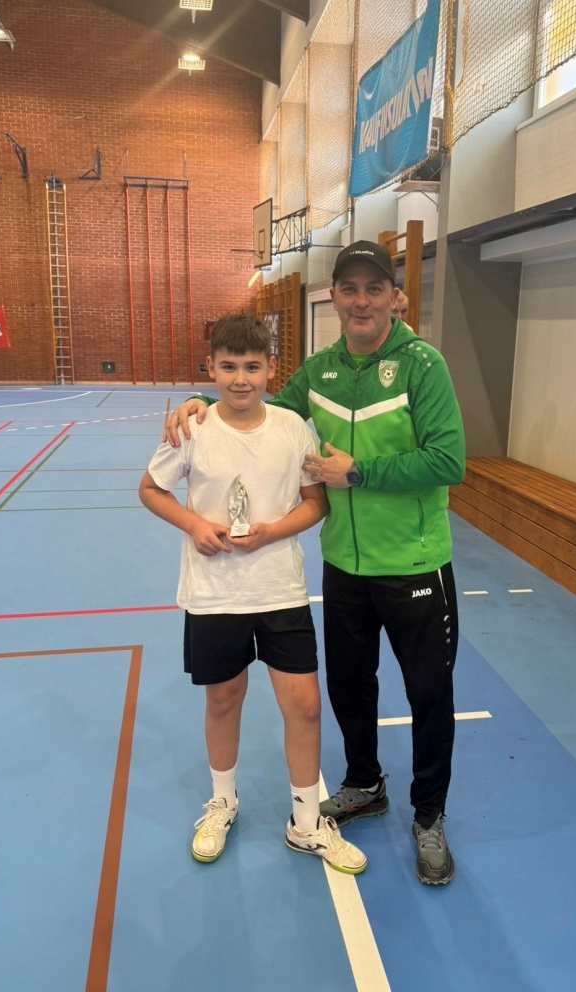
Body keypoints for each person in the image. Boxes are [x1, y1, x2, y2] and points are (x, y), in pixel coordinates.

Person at [165, 242, 466, 885]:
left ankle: (429, 816)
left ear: (394, 296)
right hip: (344, 566)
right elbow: (255, 400)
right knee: (350, 689)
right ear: (335, 297)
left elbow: (449, 460)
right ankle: (364, 784)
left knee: (428, 694)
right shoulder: (321, 372)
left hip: (414, 562)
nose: (361, 301)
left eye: (374, 288)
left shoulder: (423, 365)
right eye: (349, 289)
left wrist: (358, 472)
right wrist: (196, 399)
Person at [140, 313, 367, 875]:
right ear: (210, 368)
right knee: (223, 699)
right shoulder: (193, 428)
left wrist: (272, 531)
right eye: (228, 367)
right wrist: (195, 524)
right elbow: (151, 489)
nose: (240, 379)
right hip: (215, 595)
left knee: (304, 705)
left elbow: (315, 502)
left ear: (271, 368)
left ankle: (306, 822)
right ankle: (222, 802)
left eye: (251, 367)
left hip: (280, 591)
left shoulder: (292, 428)